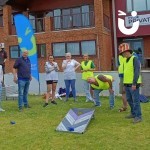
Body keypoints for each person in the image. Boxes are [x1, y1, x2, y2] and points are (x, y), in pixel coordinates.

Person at [119, 43, 142, 123]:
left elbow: (136, 71)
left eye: (123, 53)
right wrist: (124, 85)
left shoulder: (134, 59)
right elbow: (126, 73)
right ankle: (133, 113)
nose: (123, 54)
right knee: (129, 99)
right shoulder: (125, 61)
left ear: (127, 51)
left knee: (135, 101)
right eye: (122, 53)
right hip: (127, 84)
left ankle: (138, 116)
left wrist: (134, 83)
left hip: (133, 84)